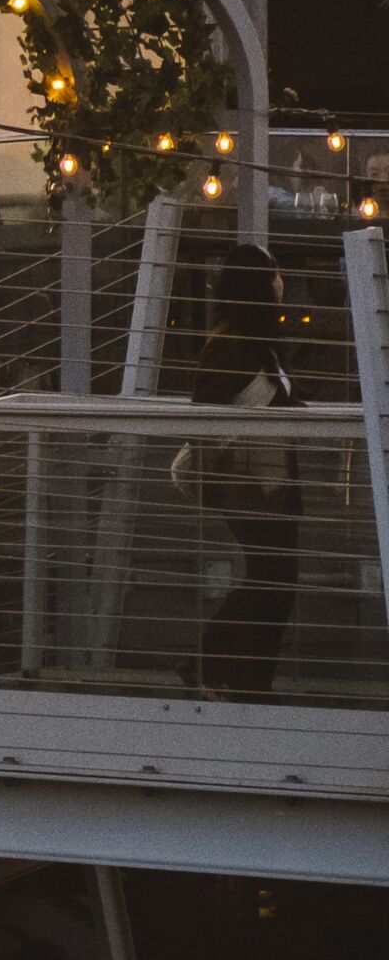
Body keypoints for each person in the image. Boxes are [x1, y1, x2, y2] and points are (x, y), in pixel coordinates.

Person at [184, 243, 301, 698]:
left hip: (275, 485)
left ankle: (238, 677)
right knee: (272, 581)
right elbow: (203, 417)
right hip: (249, 487)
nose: (281, 281)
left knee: (274, 582)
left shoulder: (260, 340)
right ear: (258, 283)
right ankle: (218, 669)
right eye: (274, 273)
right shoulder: (230, 342)